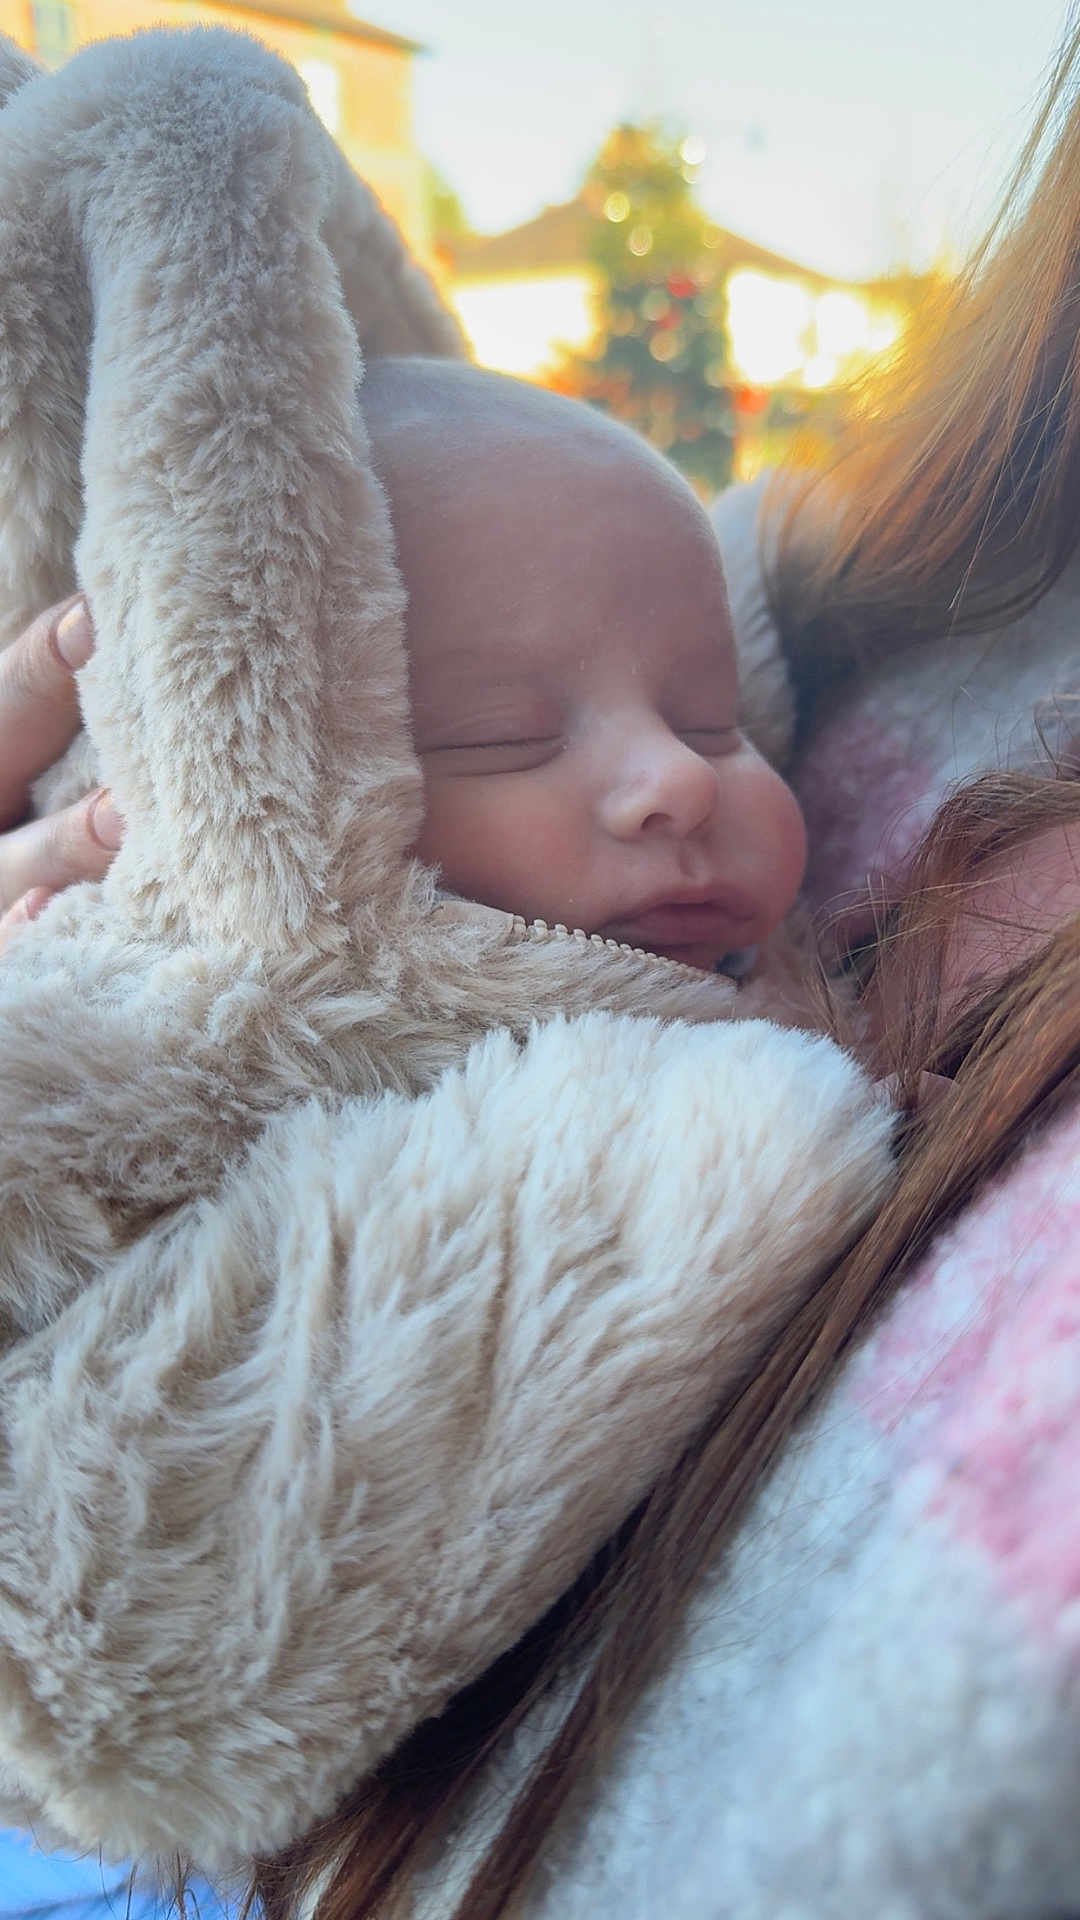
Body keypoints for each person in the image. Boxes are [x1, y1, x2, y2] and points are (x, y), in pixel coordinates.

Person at [0, 23, 897, 1917]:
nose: (675, 780)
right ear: (265, 749)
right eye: (497, 735)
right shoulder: (151, 996)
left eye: (713, 715)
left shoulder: (723, 967)